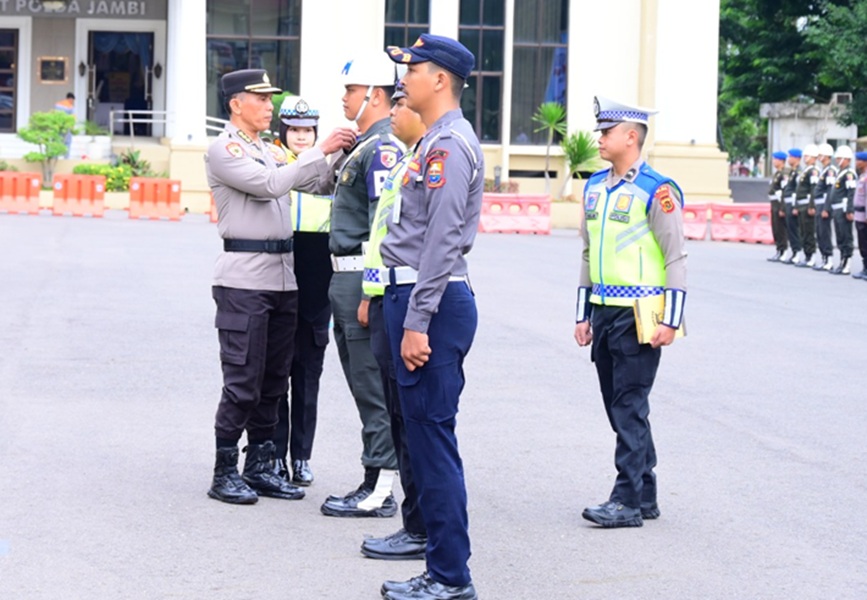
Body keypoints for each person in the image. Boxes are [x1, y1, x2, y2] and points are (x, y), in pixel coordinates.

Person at [205, 68, 356, 505]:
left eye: (270, 98)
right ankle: (224, 470)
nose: (269, 106)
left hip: (283, 277)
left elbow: (315, 182)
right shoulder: (225, 149)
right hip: (245, 279)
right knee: (243, 379)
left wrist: (342, 157)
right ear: (236, 104)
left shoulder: (269, 150)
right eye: (261, 98)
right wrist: (321, 149)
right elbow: (269, 185)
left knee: (274, 379)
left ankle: (261, 465)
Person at [378, 34, 483, 600]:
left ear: (440, 79)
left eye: (412, 69)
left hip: (430, 305)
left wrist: (417, 320)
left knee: (433, 444)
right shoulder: (435, 141)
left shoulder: (448, 147)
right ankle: (443, 568)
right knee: (425, 442)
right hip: (418, 298)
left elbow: (442, 242)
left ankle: (449, 576)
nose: (404, 79)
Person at [574, 96, 687, 529]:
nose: (599, 139)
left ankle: (625, 501)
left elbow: (675, 257)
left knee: (628, 405)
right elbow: (588, 254)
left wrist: (671, 319)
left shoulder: (657, 190)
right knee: (619, 406)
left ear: (632, 137)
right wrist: (583, 314)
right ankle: (645, 493)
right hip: (604, 310)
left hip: (641, 312)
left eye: (607, 132)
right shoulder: (594, 187)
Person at [321, 53, 404, 518]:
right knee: (361, 383)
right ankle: (374, 477)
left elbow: (381, 228)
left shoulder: (382, 148)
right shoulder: (364, 145)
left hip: (360, 277)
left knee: (371, 385)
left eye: (351, 90)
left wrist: (373, 292)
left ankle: (381, 486)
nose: (344, 97)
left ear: (374, 95)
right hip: (346, 276)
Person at [359, 81, 429, 562]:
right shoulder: (406, 162)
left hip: (412, 300)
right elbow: (381, 238)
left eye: (401, 105)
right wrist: (371, 293)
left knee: (416, 423)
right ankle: (414, 523)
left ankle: (422, 528)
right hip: (388, 295)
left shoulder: (431, 161)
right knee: (400, 420)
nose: (394, 112)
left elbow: (443, 243)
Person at [270, 96, 334, 487]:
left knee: (308, 375)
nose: (300, 136)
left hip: (317, 280)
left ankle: (302, 457)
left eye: (307, 130)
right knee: (276, 372)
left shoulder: (328, 168)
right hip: (280, 269)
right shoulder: (272, 164)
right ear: (283, 132)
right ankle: (275, 454)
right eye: (294, 129)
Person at [828, 145, 857, 275]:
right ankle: (842, 261)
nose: (837, 159)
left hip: (843, 208)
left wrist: (850, 210)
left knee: (846, 236)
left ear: (846, 159)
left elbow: (851, 192)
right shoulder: (840, 172)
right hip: (837, 208)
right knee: (840, 237)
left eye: (840, 158)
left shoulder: (849, 173)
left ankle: (847, 263)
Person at [793, 144, 820, 268]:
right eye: (805, 155)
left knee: (809, 231)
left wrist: (812, 206)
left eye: (807, 155)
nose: (805, 157)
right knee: (803, 231)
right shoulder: (806, 170)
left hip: (807, 204)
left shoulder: (813, 171)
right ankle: (807, 255)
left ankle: (811, 256)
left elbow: (814, 188)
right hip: (801, 204)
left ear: (814, 157)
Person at [812, 143, 837, 271]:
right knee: (819, 232)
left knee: (824, 232)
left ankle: (829, 259)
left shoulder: (830, 171)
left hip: (824, 205)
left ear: (827, 156)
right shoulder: (824, 170)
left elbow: (830, 190)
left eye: (821, 154)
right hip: (819, 205)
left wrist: (826, 208)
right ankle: (824, 258)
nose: (818, 157)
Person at [780, 148, 803, 264]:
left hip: (793, 203)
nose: (788, 159)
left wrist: (796, 206)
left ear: (797, 158)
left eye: (790, 157)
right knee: (790, 229)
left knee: (794, 229)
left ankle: (797, 252)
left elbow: (798, 190)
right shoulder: (792, 172)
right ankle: (794, 252)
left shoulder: (799, 172)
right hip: (788, 203)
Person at [767, 151, 789, 262]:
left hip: (779, 202)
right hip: (774, 202)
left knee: (781, 228)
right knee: (775, 228)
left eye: (775, 159)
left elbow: (785, 191)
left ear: (781, 161)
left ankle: (783, 250)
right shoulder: (776, 173)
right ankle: (778, 249)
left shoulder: (784, 174)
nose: (774, 161)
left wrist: (782, 207)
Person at [851, 151, 867, 280]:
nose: (856, 162)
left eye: (859, 160)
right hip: (859, 214)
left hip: (864, 215)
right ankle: (865, 268)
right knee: (862, 243)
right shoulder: (862, 176)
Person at [54, 92, 75, 158]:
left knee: (57, 141)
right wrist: (72, 128)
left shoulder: (57, 105)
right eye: (73, 101)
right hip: (67, 127)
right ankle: (66, 157)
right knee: (67, 142)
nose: (72, 102)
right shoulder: (70, 107)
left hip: (58, 126)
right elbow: (72, 118)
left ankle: (55, 156)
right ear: (71, 99)